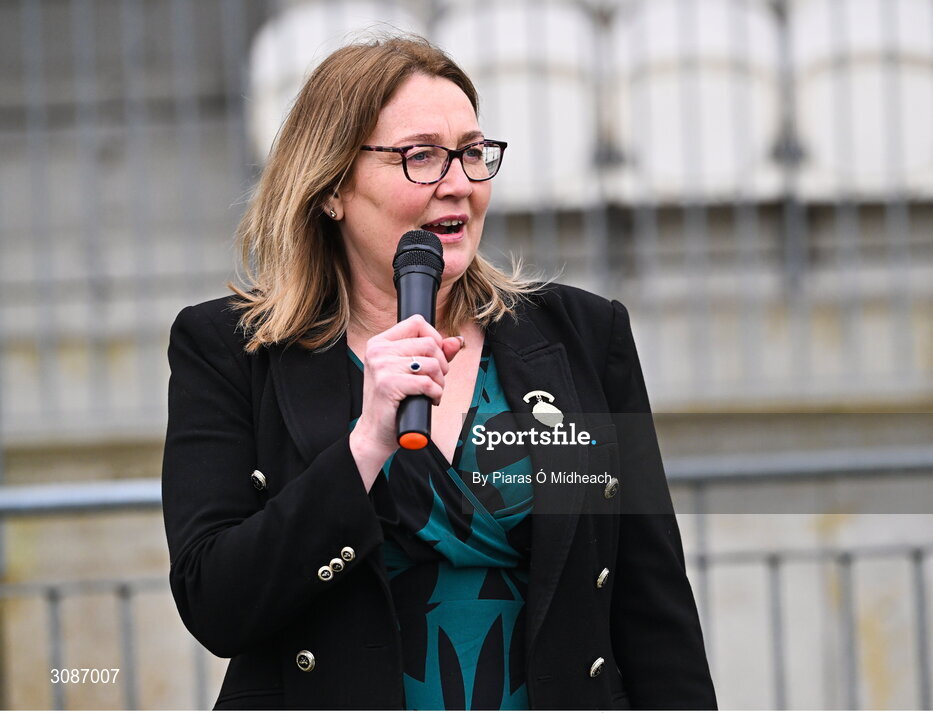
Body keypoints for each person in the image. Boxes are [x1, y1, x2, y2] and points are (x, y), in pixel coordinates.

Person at [161, 34, 715, 711]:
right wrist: (365, 447)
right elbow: (216, 602)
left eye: (472, 153)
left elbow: (653, 604)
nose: (457, 182)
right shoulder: (229, 351)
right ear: (332, 186)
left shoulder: (583, 338)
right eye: (420, 156)